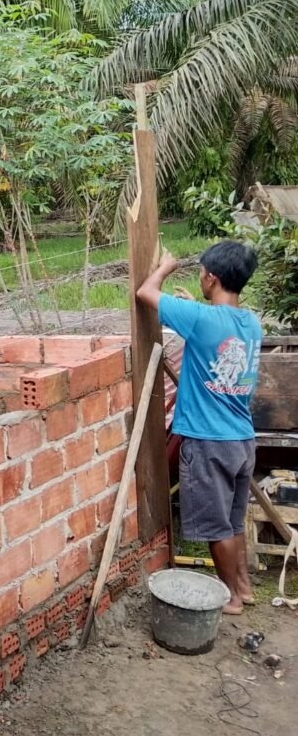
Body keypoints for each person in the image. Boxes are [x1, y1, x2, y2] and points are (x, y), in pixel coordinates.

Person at [137, 240, 262, 615]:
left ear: (211, 277)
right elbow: (213, 333)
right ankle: (244, 586)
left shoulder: (201, 319)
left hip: (209, 443)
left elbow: (145, 292)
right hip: (242, 440)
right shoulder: (250, 322)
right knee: (232, 520)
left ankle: (231, 598)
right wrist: (191, 304)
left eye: (202, 273)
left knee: (215, 527)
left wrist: (165, 266)